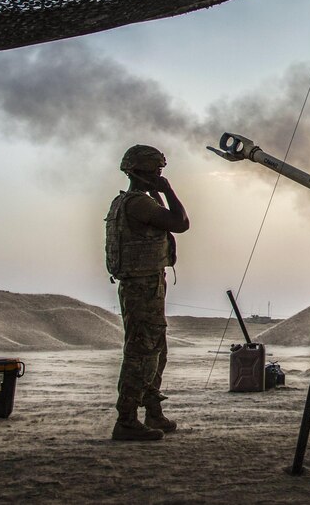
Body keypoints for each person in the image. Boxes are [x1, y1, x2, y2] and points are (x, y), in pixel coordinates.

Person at [104, 144, 190, 441]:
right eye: (157, 171)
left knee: (156, 349)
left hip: (145, 285)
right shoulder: (139, 203)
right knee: (142, 352)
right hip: (142, 287)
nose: (160, 175)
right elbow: (181, 223)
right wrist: (166, 191)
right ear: (145, 173)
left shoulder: (127, 202)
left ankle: (152, 410)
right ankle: (126, 419)